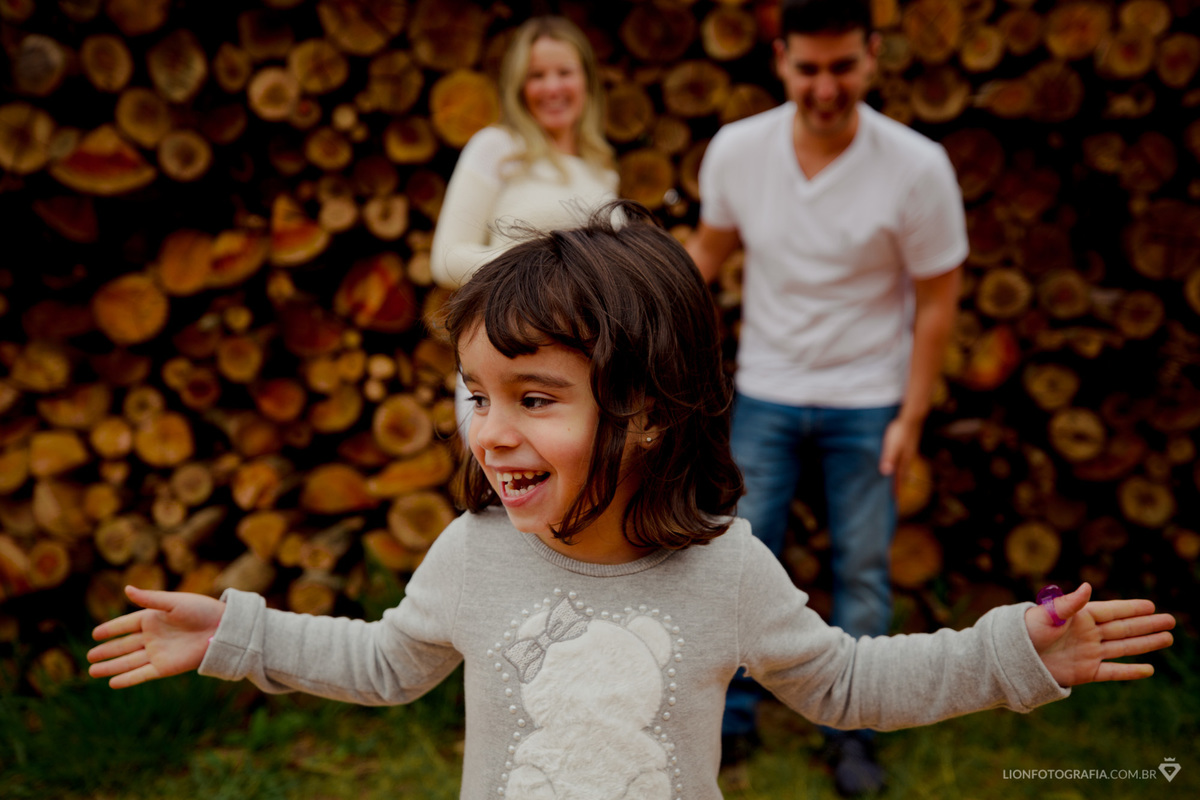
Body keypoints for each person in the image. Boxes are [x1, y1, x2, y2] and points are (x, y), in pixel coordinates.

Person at [88, 203, 1174, 800]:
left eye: (535, 397)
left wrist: (1012, 654)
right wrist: (236, 630)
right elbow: (385, 661)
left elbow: (844, 681)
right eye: (476, 394)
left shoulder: (724, 567)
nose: (491, 429)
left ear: (647, 412)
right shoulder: (472, 551)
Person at [684, 0, 967, 791]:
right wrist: (622, 305)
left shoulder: (917, 166)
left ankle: (853, 732)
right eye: (808, 68)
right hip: (767, 390)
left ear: (872, 56)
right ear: (780, 59)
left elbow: (938, 301)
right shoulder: (739, 151)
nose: (825, 86)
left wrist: (910, 416)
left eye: (842, 66)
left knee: (864, 571)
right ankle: (725, 721)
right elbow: (706, 253)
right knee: (736, 559)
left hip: (869, 397)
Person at [430, 15, 618, 439]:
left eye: (564, 73)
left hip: (588, 368)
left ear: (586, 81)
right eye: (537, 76)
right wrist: (548, 266)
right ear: (519, 86)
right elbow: (445, 259)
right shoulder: (497, 148)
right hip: (508, 359)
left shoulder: (601, 169)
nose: (552, 87)